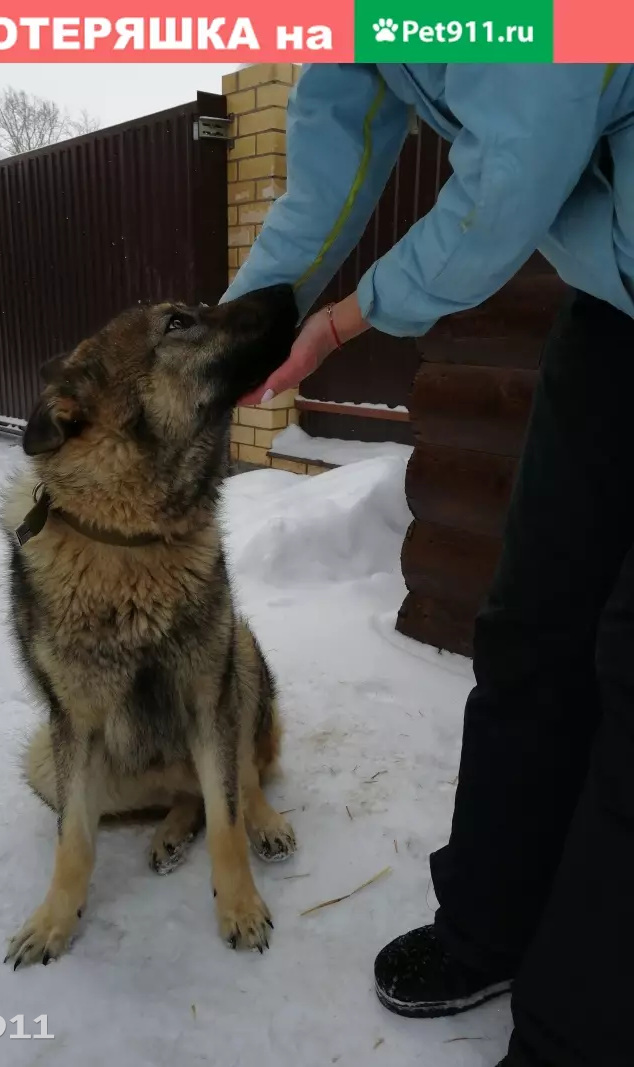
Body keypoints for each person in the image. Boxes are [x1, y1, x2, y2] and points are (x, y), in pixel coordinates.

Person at [222, 63, 634, 1067]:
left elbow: (511, 173)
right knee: (533, 621)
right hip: (613, 310)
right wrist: (233, 333)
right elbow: (332, 163)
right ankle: (492, 920)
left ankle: (576, 1035)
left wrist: (347, 317)